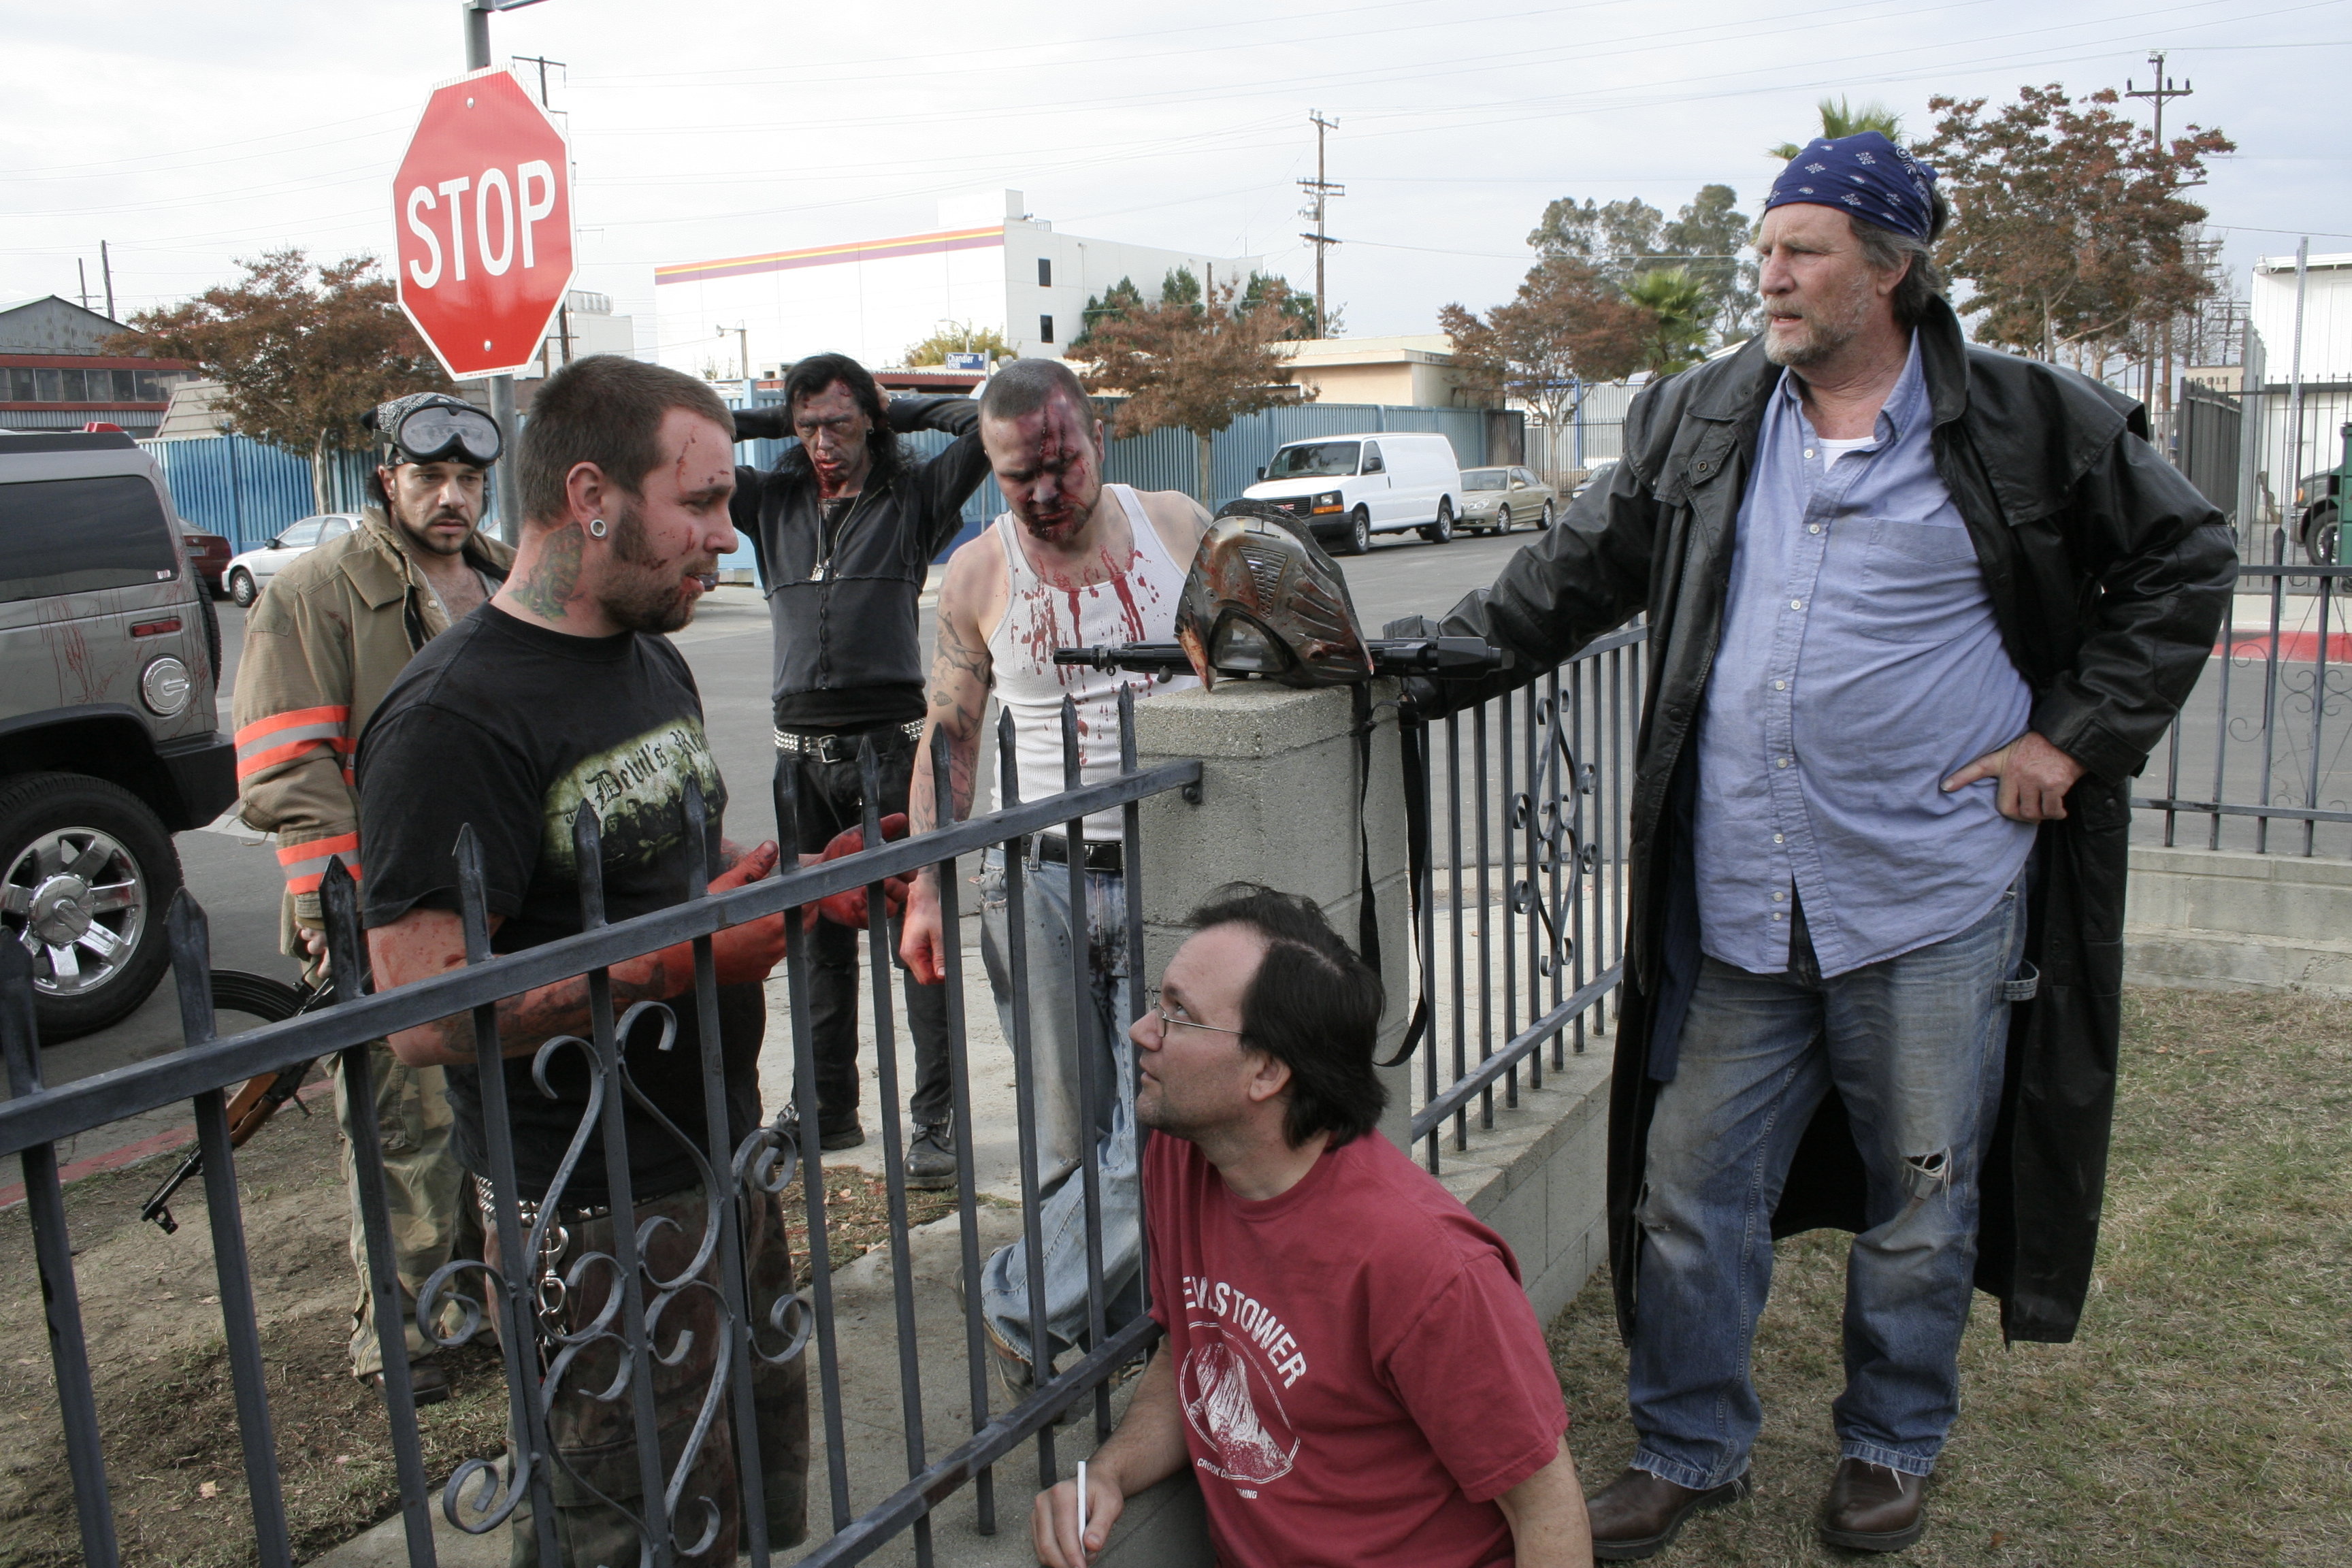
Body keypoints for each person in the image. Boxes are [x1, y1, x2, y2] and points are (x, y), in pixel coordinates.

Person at [1402, 133, 2235, 1557]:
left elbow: (2187, 558)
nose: (1771, 277)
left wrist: (2070, 739)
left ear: (1893, 269)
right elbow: (1567, 578)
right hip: (1743, 895)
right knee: (1689, 1188)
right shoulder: (1707, 416)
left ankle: (1890, 1444)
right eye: (1767, 250)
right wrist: (1400, 661)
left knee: (1920, 1191)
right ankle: (1688, 1445)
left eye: (1804, 251)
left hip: (1928, 892)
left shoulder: (2032, 421)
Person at [358, 355, 808, 1565]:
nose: (728, 536)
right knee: (628, 1527)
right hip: (586, 1208)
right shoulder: (451, 720)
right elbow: (424, 1013)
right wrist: (688, 958)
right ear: (592, 493)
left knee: (759, 1498)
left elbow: (667, 865)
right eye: (702, 502)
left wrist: (772, 885)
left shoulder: (648, 656)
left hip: (720, 1155)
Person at [1030, 885, 1592, 1568]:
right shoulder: (1183, 1160)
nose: (1142, 1030)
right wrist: (1107, 1476)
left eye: (1180, 1014)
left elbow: (1546, 1511)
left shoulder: (1428, 1267)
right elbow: (1191, 1356)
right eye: (1159, 1002)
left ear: (1265, 1071)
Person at [899, 356, 1207, 1394]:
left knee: (1156, 1121)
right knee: (1068, 1140)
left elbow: (1249, 661)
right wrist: (927, 886)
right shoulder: (981, 573)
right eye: (1015, 473)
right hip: (1038, 884)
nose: (1041, 491)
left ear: (1097, 437)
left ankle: (1019, 1298)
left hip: (1168, 863)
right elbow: (950, 731)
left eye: (1059, 463)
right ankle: (1103, 1341)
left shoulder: (1174, 527)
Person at [230, 389, 513, 1400]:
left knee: (489, 1113)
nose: (451, 498)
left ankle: (477, 1305)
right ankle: (404, 1340)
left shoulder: (504, 577)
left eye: (468, 481)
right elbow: (285, 769)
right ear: (385, 480)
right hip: (386, 904)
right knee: (405, 1125)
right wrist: (333, 911)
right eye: (429, 478)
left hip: (498, 897)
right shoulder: (313, 594)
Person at [729, 353, 990, 1185]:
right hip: (796, 759)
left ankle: (936, 1123)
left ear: (870, 423)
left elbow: (987, 423)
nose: (821, 444)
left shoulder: (911, 500)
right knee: (814, 944)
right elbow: (680, 436)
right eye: (805, 427)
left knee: (918, 940)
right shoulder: (772, 503)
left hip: (890, 754)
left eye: (838, 424)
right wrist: (773, 419)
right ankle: (827, 1108)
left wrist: (895, 407)